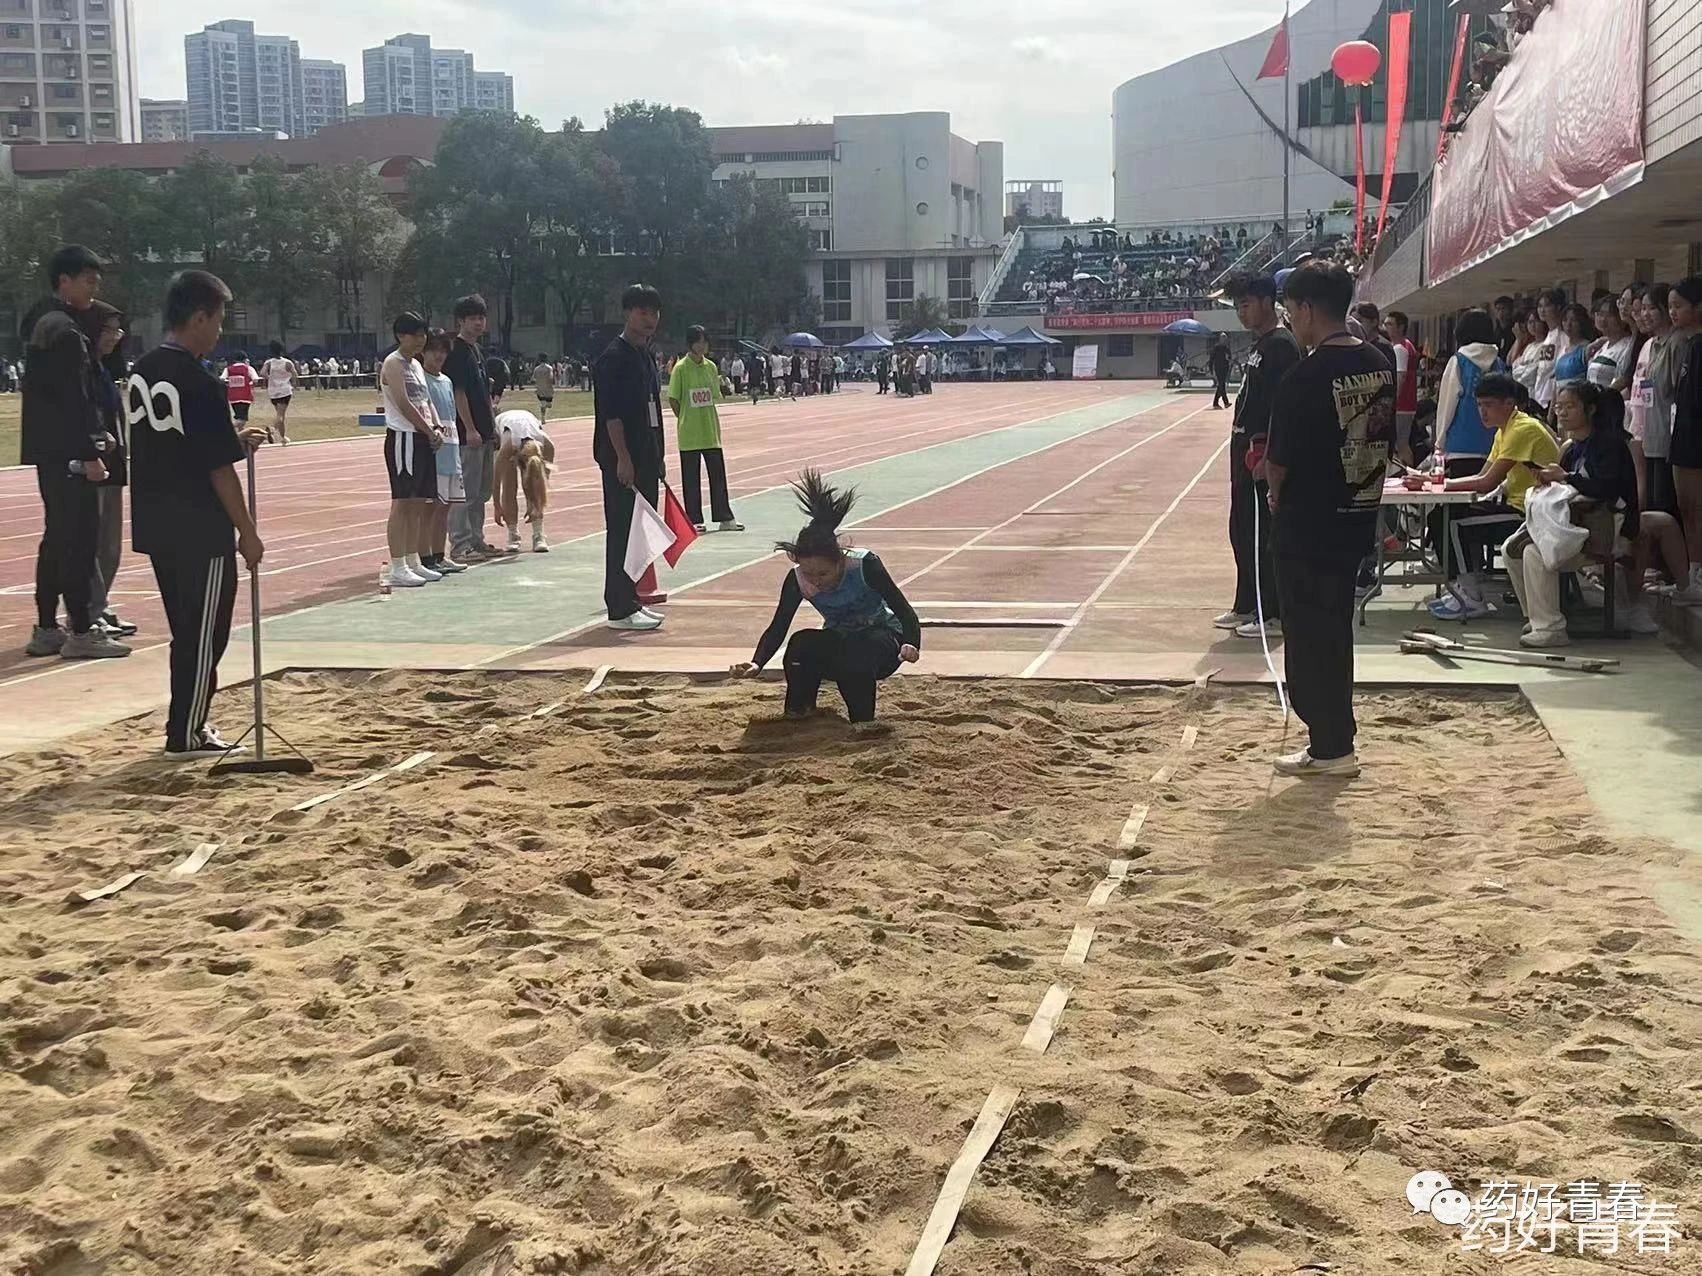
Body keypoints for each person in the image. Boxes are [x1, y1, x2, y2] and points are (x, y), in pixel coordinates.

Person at [126, 270, 269, 758]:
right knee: (204, 634)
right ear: (200, 317)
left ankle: (186, 724)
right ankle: (186, 731)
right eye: (220, 320)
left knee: (187, 630)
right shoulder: (201, 382)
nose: (220, 331)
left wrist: (233, 441)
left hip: (156, 520)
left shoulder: (143, 370)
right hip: (199, 528)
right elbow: (218, 470)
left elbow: (179, 442)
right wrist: (247, 532)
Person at [1263, 262, 1395, 778]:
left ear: (1306, 309)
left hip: (1307, 524)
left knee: (1308, 634)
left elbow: (1278, 462)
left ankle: (1330, 744)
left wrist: (1275, 495)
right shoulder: (1379, 360)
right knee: (1335, 628)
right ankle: (1336, 738)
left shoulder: (1304, 376)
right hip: (1356, 517)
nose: (1290, 321)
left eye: (1290, 311)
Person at [731, 470, 920, 726]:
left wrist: (911, 642)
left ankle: (862, 724)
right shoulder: (797, 579)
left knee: (857, 654)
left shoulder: (864, 565)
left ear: (839, 560)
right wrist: (757, 662)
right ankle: (800, 714)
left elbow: (904, 610)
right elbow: (779, 626)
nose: (816, 580)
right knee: (801, 644)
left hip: (883, 640)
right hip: (841, 638)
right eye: (809, 573)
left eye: (823, 573)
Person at [22, 245, 128, 660]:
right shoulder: (65, 332)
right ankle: (81, 631)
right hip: (68, 453)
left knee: (56, 538)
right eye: (88, 281)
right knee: (80, 542)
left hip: (48, 450)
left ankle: (47, 627)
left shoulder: (42, 322)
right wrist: (89, 451)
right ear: (63, 281)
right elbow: (74, 398)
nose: (94, 289)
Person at [1408, 372, 1560, 620]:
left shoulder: (1523, 429)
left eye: (1489, 405)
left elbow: (1487, 482)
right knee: (1441, 515)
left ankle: (1471, 596)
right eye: (1479, 405)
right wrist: (1433, 479)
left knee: (1453, 523)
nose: (1482, 412)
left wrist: (1433, 483)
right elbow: (1482, 476)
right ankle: (1463, 585)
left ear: (1509, 403)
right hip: (1517, 505)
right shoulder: (1504, 431)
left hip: (1531, 515)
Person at [1503, 382, 1640, 647]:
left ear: (1590, 409)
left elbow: (1607, 488)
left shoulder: (1610, 445)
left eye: (1570, 406)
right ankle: (1539, 616)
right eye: (1558, 407)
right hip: (1575, 523)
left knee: (1535, 553)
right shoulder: (1571, 447)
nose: (1562, 413)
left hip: (1606, 527)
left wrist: (1565, 477)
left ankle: (1551, 628)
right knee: (1512, 549)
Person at [1219, 273, 1301, 640]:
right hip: (1243, 451)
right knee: (1241, 531)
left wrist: (1268, 455)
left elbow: (1282, 409)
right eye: (1237, 306)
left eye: (1246, 304)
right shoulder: (1261, 345)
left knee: (1261, 534)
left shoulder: (1281, 346)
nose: (1241, 312)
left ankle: (1272, 613)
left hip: (1260, 454)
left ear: (1268, 302)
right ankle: (1247, 604)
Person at [594, 284, 668, 632]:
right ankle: (619, 607)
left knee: (640, 534)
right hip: (623, 461)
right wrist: (622, 458)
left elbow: (653, 410)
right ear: (628, 314)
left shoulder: (646, 356)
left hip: (647, 457)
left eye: (654, 313)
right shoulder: (614, 359)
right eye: (643, 312)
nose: (649, 319)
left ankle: (632, 599)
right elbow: (612, 416)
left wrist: (658, 455)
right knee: (622, 531)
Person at [78, 301, 137, 639]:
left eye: (119, 329)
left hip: (114, 465)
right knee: (93, 541)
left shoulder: (104, 369)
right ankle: (87, 611)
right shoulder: (82, 370)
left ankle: (99, 606)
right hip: (93, 465)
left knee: (111, 546)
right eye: (109, 329)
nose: (117, 336)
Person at [378, 313, 445, 588]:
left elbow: (426, 400)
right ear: (400, 336)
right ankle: (398, 566)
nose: (421, 340)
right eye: (415, 335)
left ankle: (413, 560)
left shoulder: (416, 365)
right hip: (404, 437)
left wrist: (437, 426)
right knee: (403, 502)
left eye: (423, 334)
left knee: (418, 502)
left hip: (423, 437)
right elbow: (404, 403)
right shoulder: (393, 363)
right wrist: (428, 430)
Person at [668, 325, 744, 534]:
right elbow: (674, 399)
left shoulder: (711, 367)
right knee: (691, 479)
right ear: (690, 344)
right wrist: (685, 417)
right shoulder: (680, 368)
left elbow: (713, 395)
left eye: (705, 342)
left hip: (710, 431)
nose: (702, 346)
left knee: (718, 476)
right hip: (689, 434)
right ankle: (694, 520)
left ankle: (724, 517)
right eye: (698, 342)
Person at [446, 295, 501, 561]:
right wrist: (469, 428)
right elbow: (459, 393)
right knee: (466, 491)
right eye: (473, 319)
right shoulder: (456, 352)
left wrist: (492, 426)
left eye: (481, 318)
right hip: (469, 435)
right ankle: (460, 544)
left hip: (485, 431)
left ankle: (476, 539)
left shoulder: (477, 350)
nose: (479, 323)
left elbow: (485, 393)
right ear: (461, 321)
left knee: (481, 492)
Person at [1432, 309, 1507, 476]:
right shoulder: (1499, 364)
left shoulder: (1458, 361)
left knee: (1461, 490)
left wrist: (1440, 441)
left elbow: (1447, 405)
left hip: (1461, 444)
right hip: (1494, 446)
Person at [419, 330, 466, 575]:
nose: (438, 355)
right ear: (423, 351)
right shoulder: (420, 379)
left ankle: (439, 555)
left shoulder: (447, 381)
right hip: (434, 452)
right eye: (433, 350)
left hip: (452, 449)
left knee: (446, 506)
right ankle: (425, 557)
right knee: (431, 507)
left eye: (443, 350)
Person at [1668, 276, 1702, 592]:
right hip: (1682, 437)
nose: (1673, 312)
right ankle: (1692, 572)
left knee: (1696, 508)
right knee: (1686, 508)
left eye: (1679, 306)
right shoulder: (1689, 345)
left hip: (1696, 440)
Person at [493, 408, 555, 553]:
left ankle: (538, 534)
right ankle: (513, 535)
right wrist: (497, 506)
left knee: (535, 487)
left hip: (527, 422)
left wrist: (534, 503)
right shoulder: (508, 447)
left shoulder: (547, 446)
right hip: (505, 429)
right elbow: (496, 482)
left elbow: (541, 486)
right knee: (509, 485)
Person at [1383, 310, 1420, 464]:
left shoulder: (1400, 348)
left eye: (1390, 324)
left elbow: (1400, 377)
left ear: (1401, 327)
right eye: (1385, 324)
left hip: (1401, 405)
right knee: (1402, 444)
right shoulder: (1407, 345)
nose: (1386, 327)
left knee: (1401, 445)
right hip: (1407, 404)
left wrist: (1392, 403)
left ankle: (1407, 471)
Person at [1589, 296, 1635, 392]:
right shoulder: (1602, 346)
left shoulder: (1628, 346)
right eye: (1600, 314)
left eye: (1609, 315)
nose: (1603, 319)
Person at [257, 340, 297, 444]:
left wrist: (270, 378)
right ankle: (271, 429)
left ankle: (283, 437)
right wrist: (292, 383)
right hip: (285, 390)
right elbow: (295, 374)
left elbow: (262, 373)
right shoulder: (287, 362)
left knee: (280, 415)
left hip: (273, 391)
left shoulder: (268, 362)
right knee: (280, 415)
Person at [225, 350, 257, 426]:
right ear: (245, 359)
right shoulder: (249, 368)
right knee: (242, 420)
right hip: (245, 396)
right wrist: (250, 384)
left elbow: (222, 379)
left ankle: (239, 432)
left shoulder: (228, 369)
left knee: (239, 418)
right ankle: (227, 427)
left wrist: (229, 383)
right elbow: (255, 379)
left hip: (233, 397)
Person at [1207, 336, 1231, 410]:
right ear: (1220, 339)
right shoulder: (1216, 348)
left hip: (1225, 369)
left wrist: (1228, 358)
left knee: (1221, 386)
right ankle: (1225, 402)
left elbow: (1230, 357)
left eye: (1225, 339)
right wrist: (1211, 369)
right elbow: (1211, 359)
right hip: (1218, 368)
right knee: (1221, 385)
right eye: (1223, 339)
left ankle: (1216, 403)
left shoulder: (1227, 348)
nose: (1224, 340)